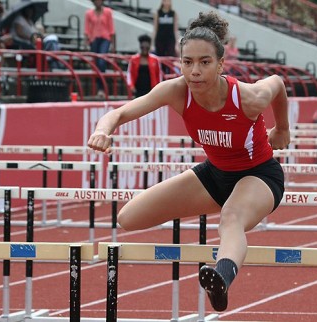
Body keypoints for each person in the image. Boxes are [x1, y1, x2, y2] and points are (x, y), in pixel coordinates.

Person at [88, 11, 290, 312]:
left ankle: (221, 277)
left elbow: (277, 83)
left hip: (258, 175)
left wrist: (282, 128)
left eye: (205, 62)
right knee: (128, 218)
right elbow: (119, 113)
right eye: (187, 62)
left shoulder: (247, 98)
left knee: (230, 220)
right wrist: (102, 131)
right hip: (215, 176)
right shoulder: (176, 92)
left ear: (221, 64)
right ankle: (230, 208)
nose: (194, 71)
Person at [84, 0, 116, 98]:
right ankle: (100, 87)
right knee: (96, 64)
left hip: (105, 39)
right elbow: (87, 29)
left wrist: (113, 45)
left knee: (101, 61)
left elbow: (111, 29)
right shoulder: (88, 13)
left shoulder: (108, 12)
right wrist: (86, 43)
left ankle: (101, 88)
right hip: (94, 39)